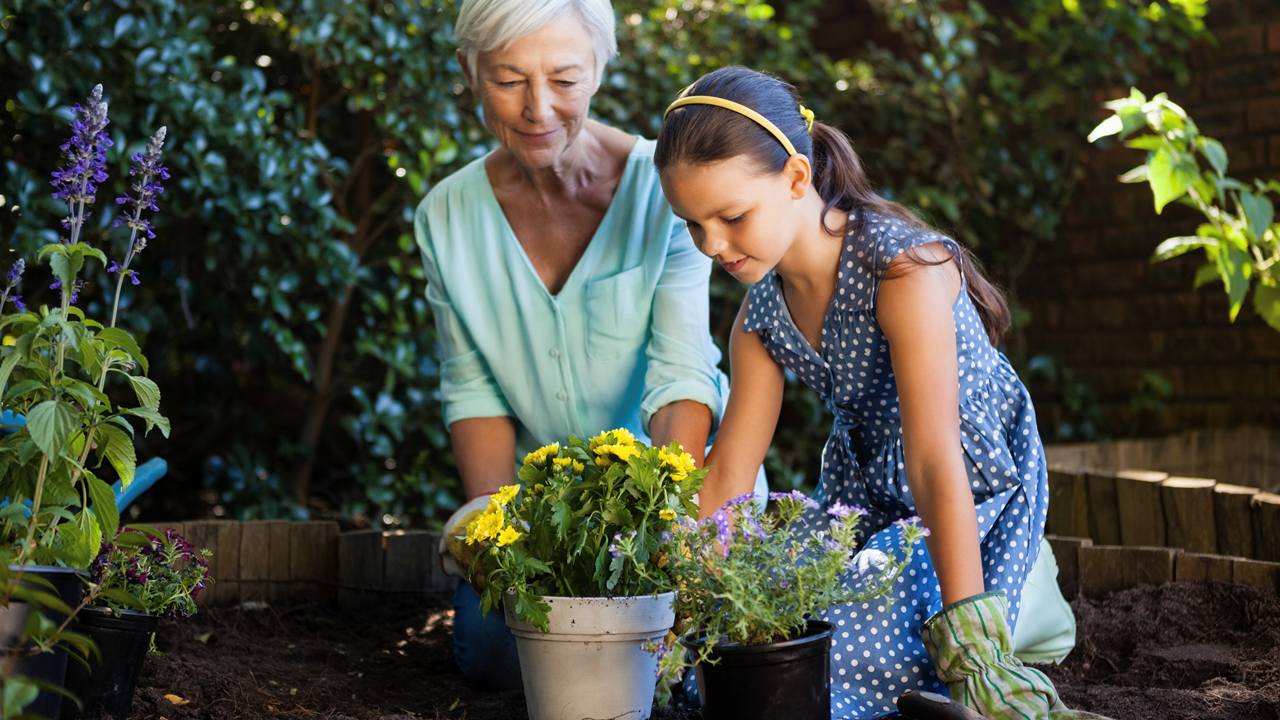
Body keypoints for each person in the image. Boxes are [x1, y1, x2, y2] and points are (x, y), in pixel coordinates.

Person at [655, 66, 1087, 719]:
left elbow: (936, 459)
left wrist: (973, 653)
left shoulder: (902, 269)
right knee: (745, 638)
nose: (713, 244)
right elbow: (731, 477)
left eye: (732, 216)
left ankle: (1027, 604)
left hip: (967, 498)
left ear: (796, 178)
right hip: (867, 507)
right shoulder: (761, 316)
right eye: (693, 225)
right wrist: (677, 611)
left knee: (826, 652)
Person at [415, 0, 730, 692]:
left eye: (564, 79)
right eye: (508, 79)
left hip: (663, 501)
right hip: (537, 516)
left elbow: (682, 374)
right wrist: (507, 550)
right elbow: (474, 393)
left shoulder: (664, 189)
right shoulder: (445, 215)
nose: (537, 109)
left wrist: (669, 541)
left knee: (685, 668)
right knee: (497, 657)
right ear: (470, 72)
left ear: (599, 69)